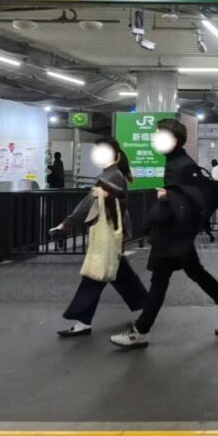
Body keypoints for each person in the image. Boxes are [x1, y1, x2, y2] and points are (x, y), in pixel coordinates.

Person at [110, 118, 218, 349]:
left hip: (174, 235)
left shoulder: (182, 166)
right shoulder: (177, 162)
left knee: (159, 282)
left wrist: (169, 199)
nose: (155, 140)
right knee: (196, 273)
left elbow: (193, 200)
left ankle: (140, 330)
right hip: (177, 235)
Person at [53, 138, 149, 338]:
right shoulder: (110, 174)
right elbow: (92, 201)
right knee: (120, 274)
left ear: (116, 156)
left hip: (108, 233)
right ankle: (147, 307)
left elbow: (101, 200)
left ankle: (82, 322)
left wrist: (68, 222)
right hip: (111, 232)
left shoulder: (112, 176)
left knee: (94, 276)